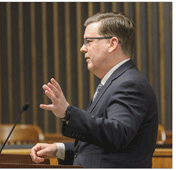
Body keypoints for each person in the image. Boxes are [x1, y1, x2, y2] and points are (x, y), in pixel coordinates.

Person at [30, 12, 158, 168]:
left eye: (88, 41)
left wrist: (68, 112)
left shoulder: (129, 84)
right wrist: (58, 149)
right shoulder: (116, 82)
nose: (82, 48)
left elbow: (118, 135)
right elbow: (101, 146)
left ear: (112, 44)